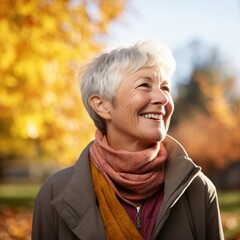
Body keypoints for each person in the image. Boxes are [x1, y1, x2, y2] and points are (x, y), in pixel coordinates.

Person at [32, 39, 224, 240]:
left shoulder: (199, 191)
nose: (163, 99)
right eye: (144, 85)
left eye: (165, 88)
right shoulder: (54, 193)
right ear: (102, 105)